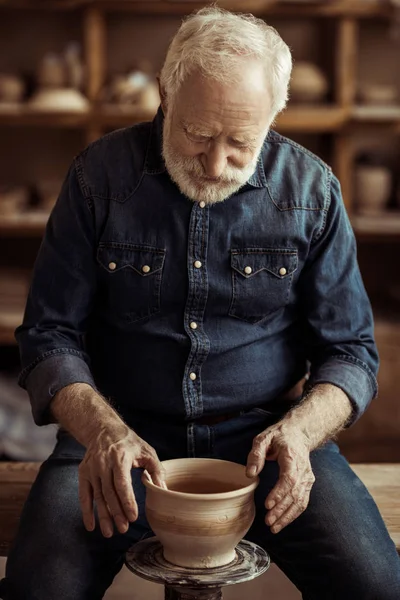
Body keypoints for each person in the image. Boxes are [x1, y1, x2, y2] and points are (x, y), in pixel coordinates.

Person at [1, 7, 399, 600]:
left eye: (241, 142)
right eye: (196, 134)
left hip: (265, 442)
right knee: (38, 592)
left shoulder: (312, 191)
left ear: (274, 115)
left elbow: (351, 352)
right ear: (166, 92)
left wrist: (301, 432)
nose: (216, 165)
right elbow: (48, 335)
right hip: (119, 437)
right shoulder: (98, 178)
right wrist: (103, 431)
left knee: (379, 587)